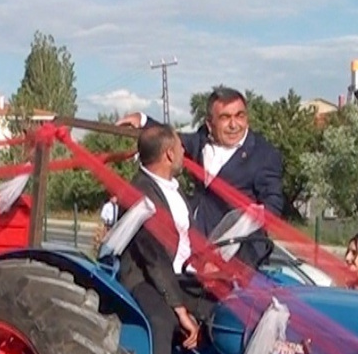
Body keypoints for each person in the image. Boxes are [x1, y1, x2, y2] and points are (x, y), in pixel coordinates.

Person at [119, 87, 284, 268]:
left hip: (237, 264)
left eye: (240, 116)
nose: (234, 125)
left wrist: (229, 258)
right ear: (209, 123)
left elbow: (271, 208)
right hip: (194, 256)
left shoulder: (264, 154)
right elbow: (171, 140)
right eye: (225, 117)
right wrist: (142, 120)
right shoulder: (200, 140)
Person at [117, 125, 205, 354]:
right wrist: (180, 308)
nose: (184, 153)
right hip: (144, 278)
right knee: (161, 319)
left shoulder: (174, 189)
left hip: (182, 275)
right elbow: (152, 256)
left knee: (223, 314)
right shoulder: (139, 192)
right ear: (169, 153)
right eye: (181, 147)